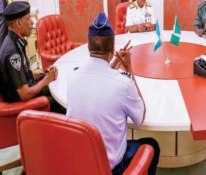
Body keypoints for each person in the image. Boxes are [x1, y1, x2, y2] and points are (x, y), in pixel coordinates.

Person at [66, 12, 160, 175]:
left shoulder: (72, 77)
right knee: (152, 144)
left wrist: (113, 64)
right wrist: (129, 70)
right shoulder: (123, 84)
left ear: (88, 47)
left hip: (78, 164)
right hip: (108, 168)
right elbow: (140, 117)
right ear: (113, 48)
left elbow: (98, 80)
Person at [0, 1, 63, 113]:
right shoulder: (12, 52)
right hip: (20, 103)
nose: (32, 22)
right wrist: (46, 80)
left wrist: (43, 74)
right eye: (29, 19)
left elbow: (23, 75)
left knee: (59, 86)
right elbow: (24, 94)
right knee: (58, 102)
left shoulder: (15, 41)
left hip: (29, 90)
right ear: (18, 23)